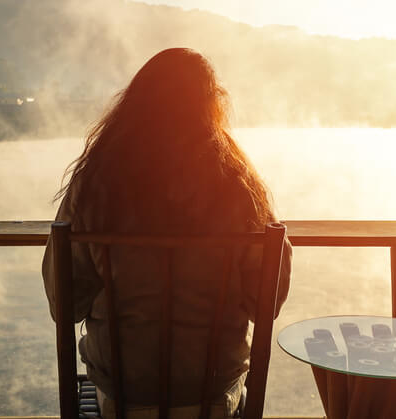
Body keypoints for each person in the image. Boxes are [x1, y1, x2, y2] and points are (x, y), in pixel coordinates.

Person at [42, 47, 293, 419]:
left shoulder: (96, 183)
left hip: (122, 397)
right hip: (211, 396)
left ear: (134, 104)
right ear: (212, 107)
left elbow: (65, 303)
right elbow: (266, 304)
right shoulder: (238, 186)